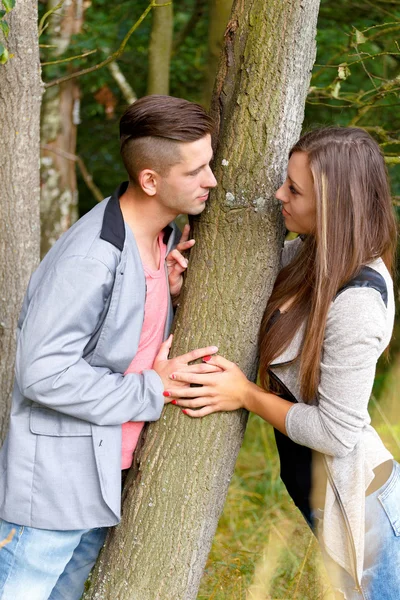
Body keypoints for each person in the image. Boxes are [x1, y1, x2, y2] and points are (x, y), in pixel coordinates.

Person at [164, 127, 400, 599]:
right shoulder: (312, 257)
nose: (278, 196)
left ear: (335, 205)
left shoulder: (357, 301)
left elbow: (337, 433)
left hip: (368, 516)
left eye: (293, 189)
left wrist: (246, 395)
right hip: (336, 504)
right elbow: (248, 294)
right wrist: (183, 287)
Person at [0, 95, 219, 600]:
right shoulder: (91, 258)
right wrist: (153, 388)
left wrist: (166, 293)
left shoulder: (155, 242)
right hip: (52, 491)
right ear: (150, 180)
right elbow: (42, 373)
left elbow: (120, 339)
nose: (211, 180)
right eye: (197, 170)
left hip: (101, 481)